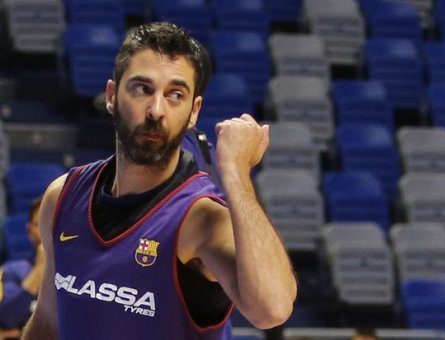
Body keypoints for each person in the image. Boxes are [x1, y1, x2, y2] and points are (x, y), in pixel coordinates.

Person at [21, 22, 297, 339]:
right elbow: (46, 324)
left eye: (175, 95)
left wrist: (235, 172)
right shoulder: (63, 197)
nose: (156, 110)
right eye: (142, 89)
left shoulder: (202, 219)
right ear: (111, 96)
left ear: (194, 112)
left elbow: (272, 309)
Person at [0, 196, 43, 339]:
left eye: (54, 223)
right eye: (41, 224)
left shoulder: (79, 270)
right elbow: (7, 319)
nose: (48, 231)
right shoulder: (13, 270)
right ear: (30, 230)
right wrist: (40, 268)